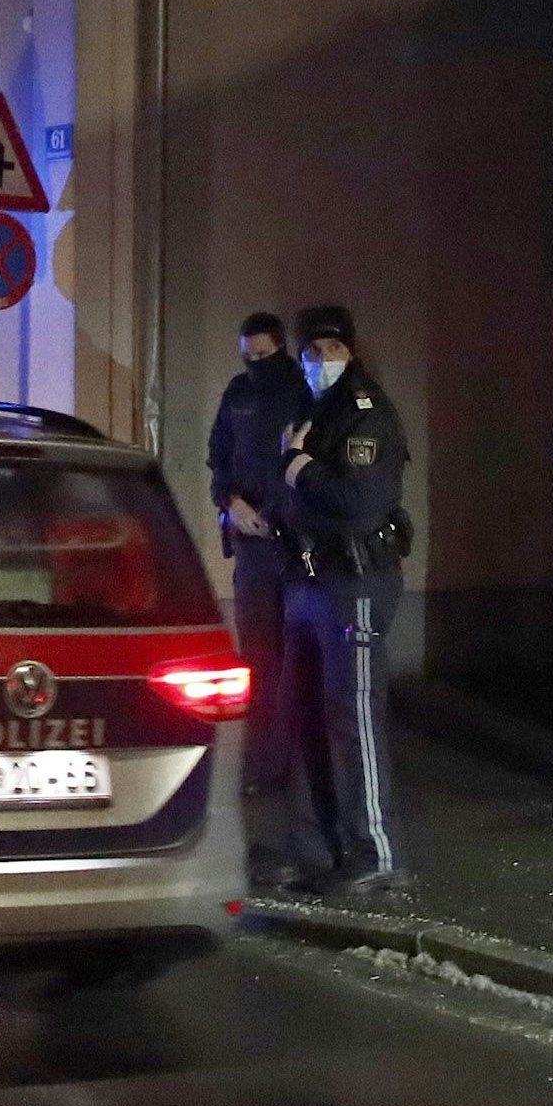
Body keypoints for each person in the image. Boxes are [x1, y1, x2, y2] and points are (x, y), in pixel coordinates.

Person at [272, 305, 413, 898]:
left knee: (353, 714)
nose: (319, 363)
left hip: (354, 583)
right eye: (310, 353)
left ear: (350, 352)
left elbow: (357, 501)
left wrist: (300, 467)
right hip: (308, 580)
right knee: (304, 714)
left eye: (330, 352)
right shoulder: (313, 410)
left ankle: (375, 850)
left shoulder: (366, 413)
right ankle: (311, 844)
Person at [205, 312, 304, 796]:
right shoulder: (238, 394)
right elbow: (218, 459)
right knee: (259, 658)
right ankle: (263, 764)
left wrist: (280, 512)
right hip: (252, 547)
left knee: (294, 659)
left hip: (294, 544)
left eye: (264, 355)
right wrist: (231, 502)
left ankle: (294, 764)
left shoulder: (301, 393)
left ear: (281, 348)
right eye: (248, 356)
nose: (255, 364)